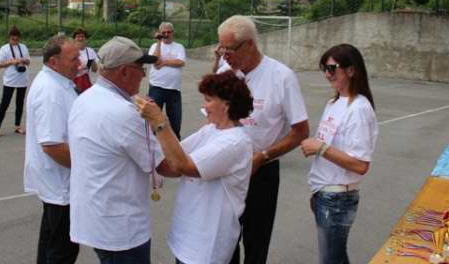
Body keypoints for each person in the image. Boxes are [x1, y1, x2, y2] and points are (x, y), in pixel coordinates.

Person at [216, 15, 310, 264]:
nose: (224, 55)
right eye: (221, 48)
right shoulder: (226, 71)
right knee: (225, 241)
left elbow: (300, 131)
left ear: (249, 45)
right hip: (227, 170)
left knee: (256, 243)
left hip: (262, 171)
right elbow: (212, 118)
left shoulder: (281, 77)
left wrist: (263, 156)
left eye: (229, 49)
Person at [134, 70, 254, 264]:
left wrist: (159, 121)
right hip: (189, 238)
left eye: (207, 100)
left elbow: (182, 165)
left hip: (206, 247)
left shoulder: (234, 143)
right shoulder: (211, 130)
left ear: (226, 104)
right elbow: (171, 161)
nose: (203, 106)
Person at [68, 36, 164, 264]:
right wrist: (161, 124)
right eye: (140, 67)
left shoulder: (85, 98)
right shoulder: (123, 112)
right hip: (120, 229)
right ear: (123, 72)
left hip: (96, 218)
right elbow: (166, 164)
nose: (144, 74)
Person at [300, 44, 379, 264]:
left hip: (337, 198)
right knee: (335, 258)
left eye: (332, 68)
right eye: (324, 68)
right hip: (325, 193)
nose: (327, 74)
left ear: (351, 70)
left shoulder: (359, 109)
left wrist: (320, 148)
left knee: (331, 259)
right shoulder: (334, 102)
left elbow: (361, 164)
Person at [23, 35, 81, 264]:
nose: (80, 63)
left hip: (57, 183)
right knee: (62, 250)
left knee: (50, 240)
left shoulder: (57, 82)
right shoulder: (50, 91)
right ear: (54, 61)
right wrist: (85, 169)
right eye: (74, 59)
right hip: (61, 184)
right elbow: (53, 146)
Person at [0, 25, 31, 139]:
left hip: (22, 80)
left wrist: (24, 60)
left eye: (17, 38)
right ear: (9, 37)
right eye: (13, 38)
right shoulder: (4, 48)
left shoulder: (23, 47)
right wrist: (12, 62)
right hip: (10, 81)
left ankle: (17, 125)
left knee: (20, 103)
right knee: (4, 104)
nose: (15, 40)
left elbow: (28, 62)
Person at [148, 22, 186, 139]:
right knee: (153, 120)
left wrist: (163, 62)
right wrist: (159, 43)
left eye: (168, 32)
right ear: (160, 33)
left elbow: (180, 62)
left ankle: (176, 147)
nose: (166, 34)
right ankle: (154, 146)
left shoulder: (179, 47)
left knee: (175, 121)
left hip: (173, 89)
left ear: (173, 33)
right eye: (163, 32)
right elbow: (155, 61)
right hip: (156, 87)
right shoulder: (155, 46)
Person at [72, 28, 98, 92]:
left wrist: (89, 63)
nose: (80, 38)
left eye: (82, 36)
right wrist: (80, 67)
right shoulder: (71, 51)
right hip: (72, 83)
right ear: (74, 39)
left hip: (85, 81)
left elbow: (95, 69)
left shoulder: (90, 51)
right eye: (78, 37)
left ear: (85, 38)